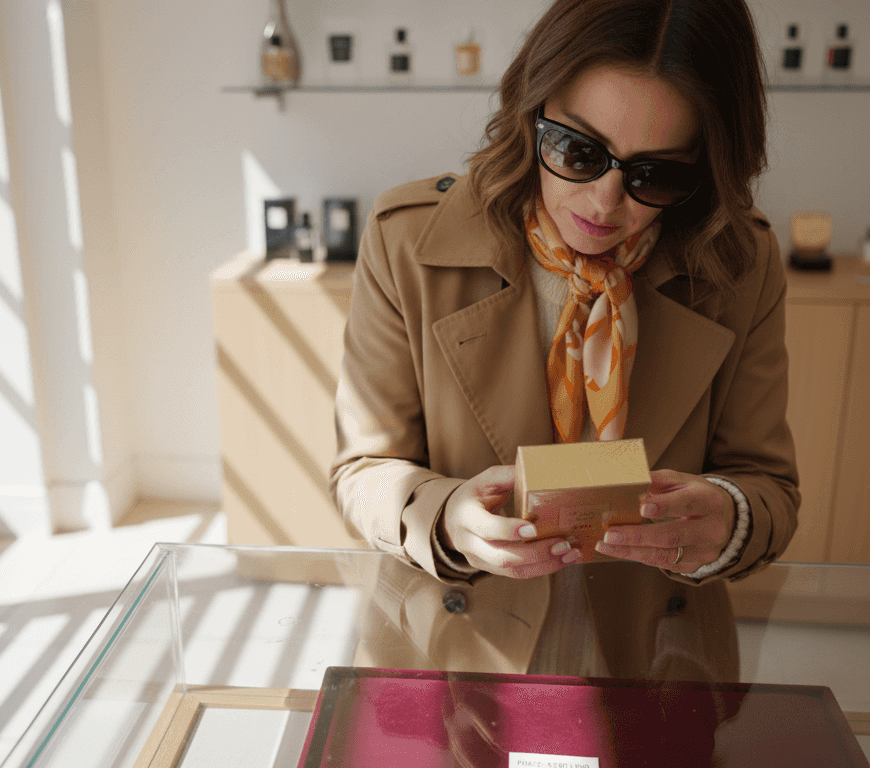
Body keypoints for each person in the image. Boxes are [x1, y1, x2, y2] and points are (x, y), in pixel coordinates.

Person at [331, 0, 798, 682]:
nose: (605, 204)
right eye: (578, 152)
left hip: (654, 660)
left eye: (654, 175)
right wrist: (446, 517)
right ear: (531, 108)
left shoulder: (739, 265)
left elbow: (771, 489)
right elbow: (363, 473)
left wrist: (726, 518)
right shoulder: (408, 242)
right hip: (459, 648)